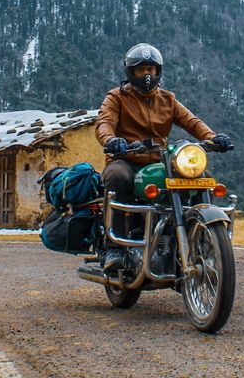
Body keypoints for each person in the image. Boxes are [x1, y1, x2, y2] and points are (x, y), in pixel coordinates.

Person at [94, 43, 231, 271]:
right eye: (141, 69)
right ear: (131, 72)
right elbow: (104, 122)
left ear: (158, 71)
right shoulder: (117, 97)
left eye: (151, 69)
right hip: (127, 159)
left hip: (161, 162)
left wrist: (213, 137)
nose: (147, 74)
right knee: (118, 177)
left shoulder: (167, 99)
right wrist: (111, 140)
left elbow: (191, 121)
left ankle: (200, 238)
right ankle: (114, 247)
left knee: (201, 176)